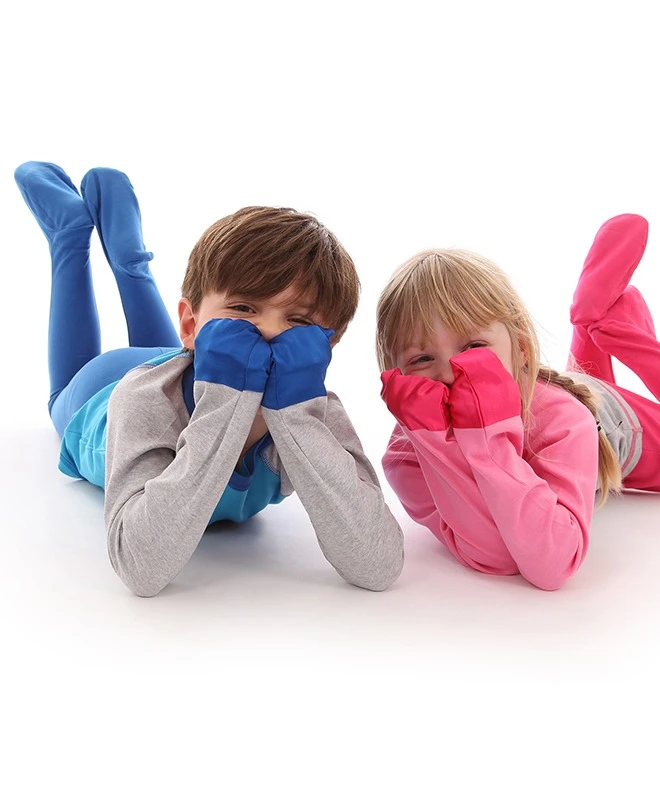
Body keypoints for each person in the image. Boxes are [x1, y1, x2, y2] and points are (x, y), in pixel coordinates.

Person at [15, 160, 403, 597]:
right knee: (59, 397)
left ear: (327, 346)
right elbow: (140, 568)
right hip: (102, 389)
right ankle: (69, 237)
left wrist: (295, 414)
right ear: (190, 325)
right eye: (243, 309)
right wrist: (230, 399)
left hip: (188, 363)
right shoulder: (144, 401)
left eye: (297, 321)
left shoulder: (317, 413)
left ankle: (130, 260)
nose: (267, 333)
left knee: (193, 346)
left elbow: (379, 565)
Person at [376, 214, 660, 590]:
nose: (451, 374)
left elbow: (553, 564)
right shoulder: (406, 459)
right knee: (584, 384)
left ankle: (612, 328)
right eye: (422, 359)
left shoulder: (563, 422)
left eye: (475, 347)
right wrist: (441, 443)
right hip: (568, 395)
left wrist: (485, 441)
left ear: (521, 349)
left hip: (611, 424)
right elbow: (496, 557)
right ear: (395, 374)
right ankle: (592, 323)